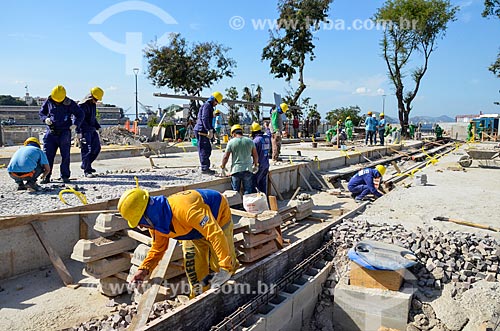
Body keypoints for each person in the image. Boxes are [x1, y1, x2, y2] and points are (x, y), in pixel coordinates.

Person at [118, 186, 239, 297]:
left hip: (218, 216)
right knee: (193, 269)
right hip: (191, 229)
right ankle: (198, 298)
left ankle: (230, 290)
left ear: (148, 215)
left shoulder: (186, 210)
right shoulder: (156, 225)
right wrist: (144, 270)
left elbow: (215, 234)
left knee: (222, 266)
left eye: (140, 223)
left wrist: (225, 267)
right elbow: (158, 248)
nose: (142, 227)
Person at [39, 85, 84, 184]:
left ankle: (65, 176)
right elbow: (42, 113)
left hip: (64, 132)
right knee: (48, 155)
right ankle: (46, 176)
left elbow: (80, 114)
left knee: (65, 156)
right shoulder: (49, 101)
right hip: (51, 132)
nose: (57, 102)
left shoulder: (70, 103)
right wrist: (45, 119)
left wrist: (75, 124)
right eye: (56, 101)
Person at [221, 124, 259, 194]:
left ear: (233, 133)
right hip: (248, 169)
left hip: (236, 170)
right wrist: (256, 165)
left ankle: (236, 205)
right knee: (248, 191)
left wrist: (223, 166)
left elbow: (226, 157)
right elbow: (255, 155)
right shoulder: (250, 141)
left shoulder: (231, 142)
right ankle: (247, 204)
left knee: (235, 193)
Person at [77, 87, 104, 178]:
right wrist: (78, 132)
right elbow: (78, 120)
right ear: (91, 97)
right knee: (86, 150)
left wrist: (98, 127)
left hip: (92, 130)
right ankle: (87, 170)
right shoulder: (81, 106)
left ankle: (86, 164)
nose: (96, 101)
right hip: (84, 131)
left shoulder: (93, 104)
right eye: (95, 99)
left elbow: (93, 118)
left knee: (97, 148)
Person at [194, 92, 222, 174]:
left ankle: (205, 166)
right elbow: (205, 119)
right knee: (204, 149)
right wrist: (209, 129)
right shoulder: (207, 106)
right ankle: (205, 168)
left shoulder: (209, 106)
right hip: (201, 130)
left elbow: (208, 120)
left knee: (207, 149)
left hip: (203, 129)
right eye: (216, 102)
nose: (216, 104)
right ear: (214, 100)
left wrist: (212, 130)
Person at [250, 122, 271, 194]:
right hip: (266, 164)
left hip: (259, 166)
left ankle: (257, 201)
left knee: (255, 184)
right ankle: (264, 201)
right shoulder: (267, 138)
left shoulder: (255, 141)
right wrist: (267, 127)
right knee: (263, 184)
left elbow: (252, 154)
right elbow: (269, 133)